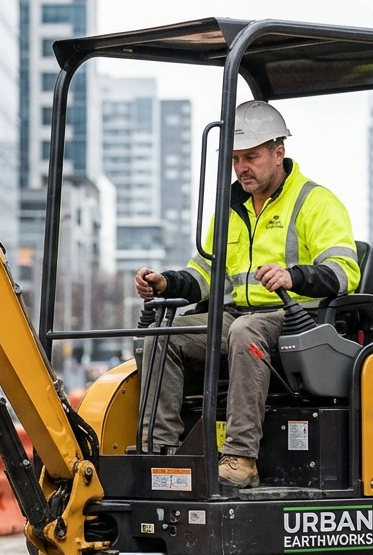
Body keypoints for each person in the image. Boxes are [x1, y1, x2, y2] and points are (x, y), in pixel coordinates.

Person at [134, 100, 360, 488]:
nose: (242, 167)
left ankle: (240, 457)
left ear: (278, 153)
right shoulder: (229, 210)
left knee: (247, 332)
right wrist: (166, 283)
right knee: (161, 335)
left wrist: (293, 277)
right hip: (237, 316)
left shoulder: (316, 203)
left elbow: (345, 273)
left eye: (251, 157)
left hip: (297, 322)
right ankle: (159, 453)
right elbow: (205, 274)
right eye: (236, 159)